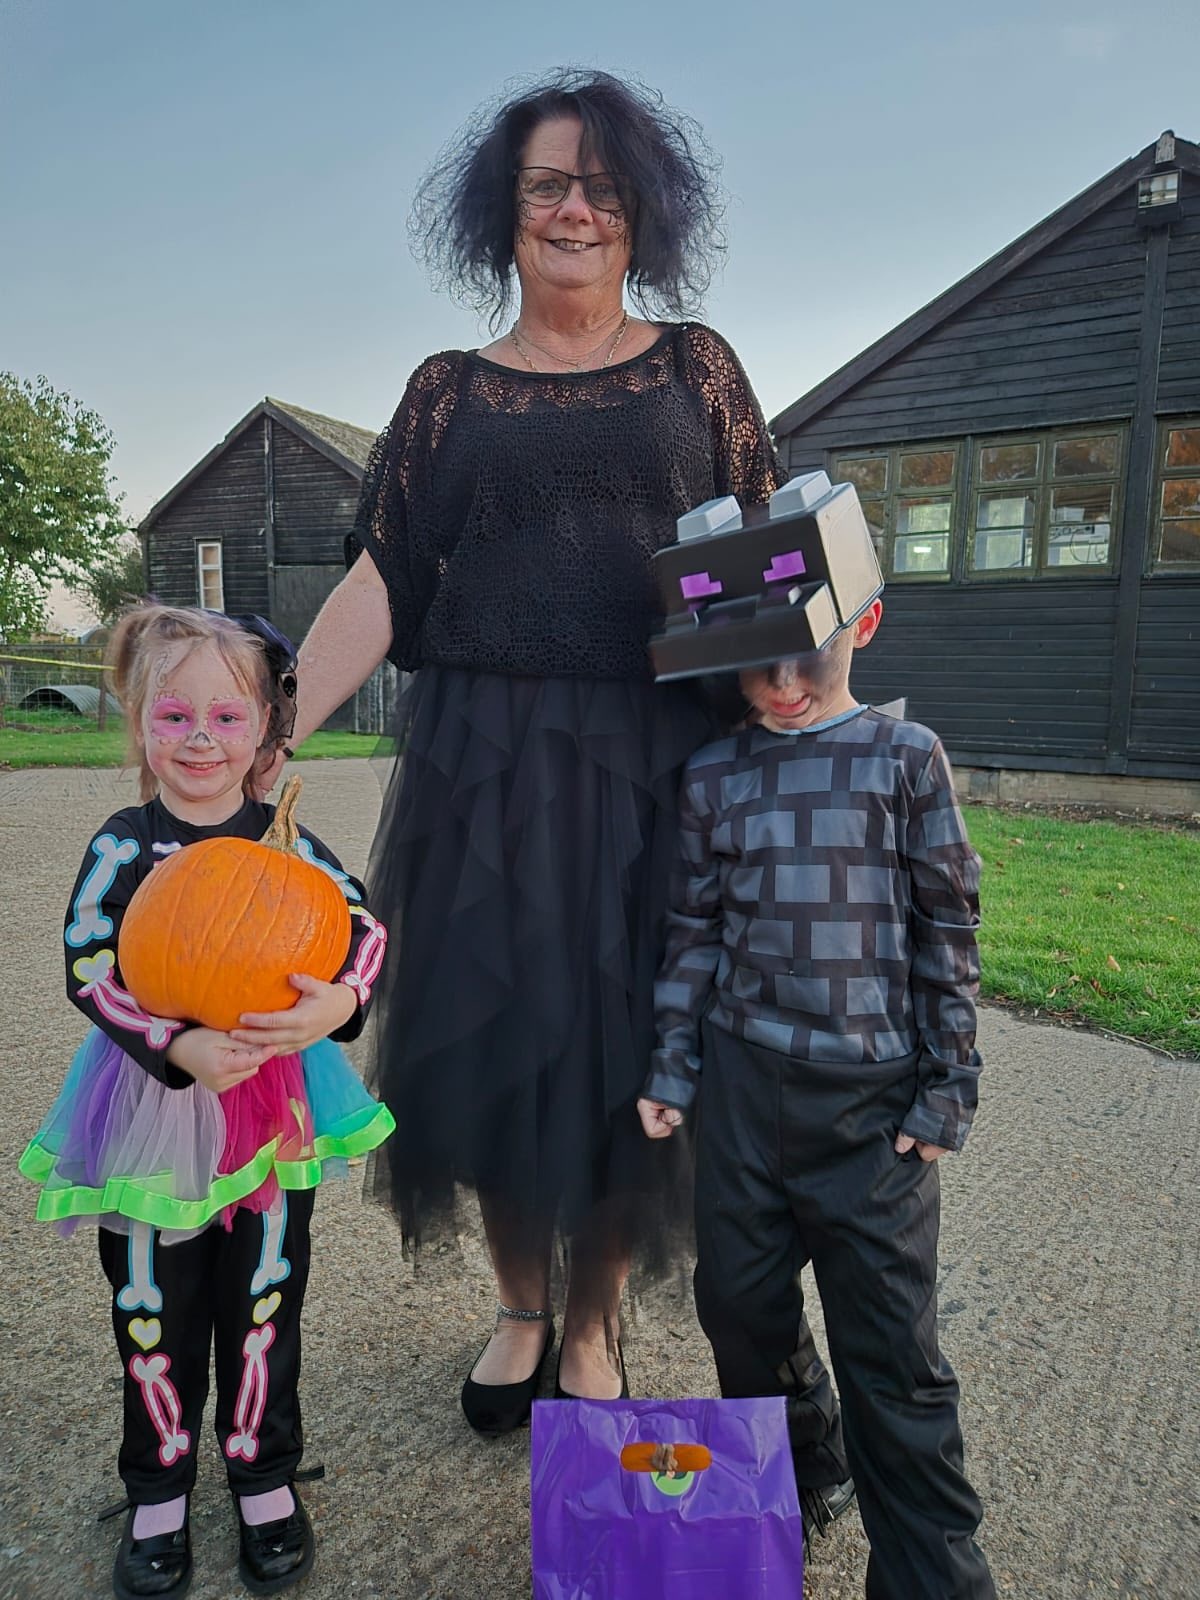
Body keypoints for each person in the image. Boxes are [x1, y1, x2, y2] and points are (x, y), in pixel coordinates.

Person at [256, 67, 847, 1445]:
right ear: (503, 209)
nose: (574, 209)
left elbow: (771, 563)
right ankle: (522, 1303)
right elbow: (385, 575)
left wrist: (825, 715)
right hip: (485, 758)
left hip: (663, 756)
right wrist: (274, 724)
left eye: (601, 187)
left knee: (636, 1040)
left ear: (642, 209)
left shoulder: (699, 368)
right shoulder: (447, 392)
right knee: (495, 1034)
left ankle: (593, 1323)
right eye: (546, 185)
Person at [638, 480, 996, 1596]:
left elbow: (948, 929)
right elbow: (694, 932)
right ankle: (803, 1466)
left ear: (864, 623)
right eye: (757, 667)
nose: (784, 687)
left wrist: (948, 1084)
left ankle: (931, 1574)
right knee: (738, 1308)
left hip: (874, 1115)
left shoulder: (907, 760)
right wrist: (673, 1066)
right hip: (745, 1098)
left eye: (809, 657)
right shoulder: (712, 776)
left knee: (891, 1350)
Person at [19, 605, 394, 1600]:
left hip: (270, 1111)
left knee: (264, 1295)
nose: (200, 739)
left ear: (267, 730)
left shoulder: (287, 842)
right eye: (174, 715)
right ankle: (158, 1487)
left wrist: (340, 1002)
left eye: (227, 718)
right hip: (148, 1107)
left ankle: (262, 1471)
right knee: (153, 1302)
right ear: (139, 720)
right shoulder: (124, 844)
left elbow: (364, 927)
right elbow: (88, 960)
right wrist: (174, 1042)